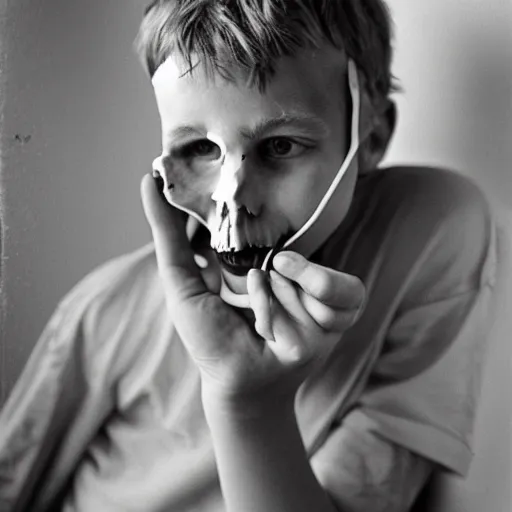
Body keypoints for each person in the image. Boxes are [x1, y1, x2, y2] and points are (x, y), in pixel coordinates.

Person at [0, 1, 497, 511]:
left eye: (279, 147)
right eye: (199, 149)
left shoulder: (431, 229)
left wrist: (249, 407)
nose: (234, 199)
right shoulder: (108, 312)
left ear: (372, 135)